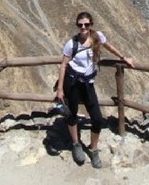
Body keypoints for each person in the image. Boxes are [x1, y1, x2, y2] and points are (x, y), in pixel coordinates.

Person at [55, 11, 135, 168]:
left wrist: (123, 57)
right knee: (71, 115)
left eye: (86, 24)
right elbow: (64, 65)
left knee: (97, 118)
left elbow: (109, 46)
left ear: (91, 25)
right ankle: (76, 144)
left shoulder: (97, 37)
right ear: (77, 25)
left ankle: (93, 148)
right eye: (80, 24)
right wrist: (59, 89)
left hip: (88, 83)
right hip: (72, 83)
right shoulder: (72, 43)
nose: (83, 27)